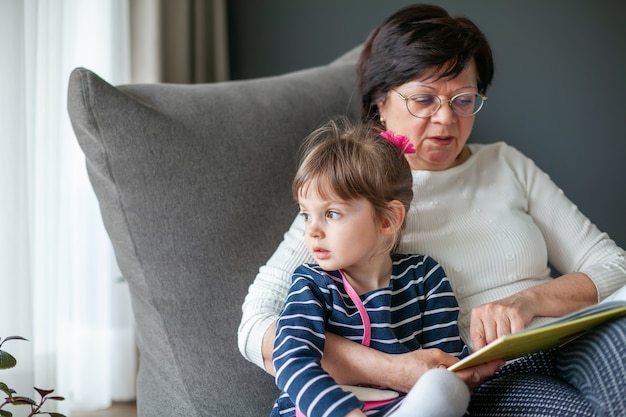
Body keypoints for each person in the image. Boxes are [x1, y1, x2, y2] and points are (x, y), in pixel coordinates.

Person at [239, 4, 626, 416]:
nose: (446, 119)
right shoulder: (354, 195)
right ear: (381, 102)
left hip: (573, 337)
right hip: (490, 377)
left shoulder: (506, 163)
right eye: (424, 99)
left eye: (463, 100)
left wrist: (527, 302)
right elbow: (255, 327)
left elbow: (612, 265)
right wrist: (392, 370)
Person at [271, 119, 470, 417]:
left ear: (388, 220)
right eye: (306, 215)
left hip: (402, 409)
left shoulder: (425, 278)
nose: (312, 231)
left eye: (332, 213)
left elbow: (445, 363)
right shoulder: (310, 283)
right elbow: (290, 359)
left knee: (446, 387)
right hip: (321, 411)